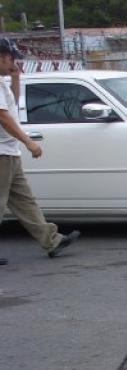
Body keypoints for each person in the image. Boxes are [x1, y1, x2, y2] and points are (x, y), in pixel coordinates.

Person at [0, 37, 79, 265]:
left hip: (9, 151)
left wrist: (15, 78)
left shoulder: (2, 81)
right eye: (12, 59)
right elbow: (3, 118)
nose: (14, 63)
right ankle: (51, 240)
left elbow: (12, 104)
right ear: (3, 56)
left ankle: (51, 240)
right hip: (2, 153)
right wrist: (28, 142)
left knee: (25, 201)